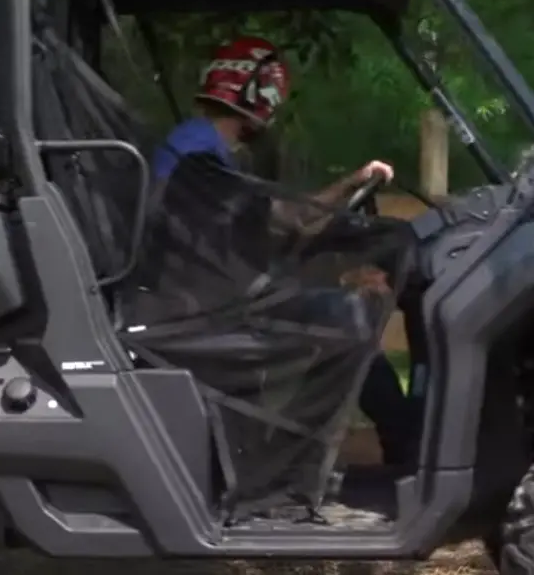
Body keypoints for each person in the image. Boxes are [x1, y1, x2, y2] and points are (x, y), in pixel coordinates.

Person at [145, 35, 418, 469]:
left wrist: (350, 187)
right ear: (258, 94)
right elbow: (288, 219)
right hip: (203, 307)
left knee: (333, 311)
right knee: (348, 317)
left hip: (205, 296)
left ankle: (297, 454)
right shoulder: (199, 155)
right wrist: (349, 185)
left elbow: (274, 225)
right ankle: (407, 454)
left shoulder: (200, 148)